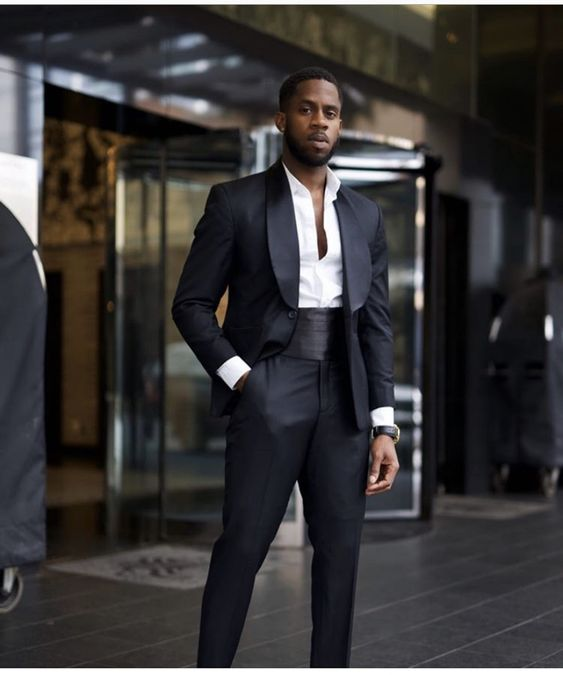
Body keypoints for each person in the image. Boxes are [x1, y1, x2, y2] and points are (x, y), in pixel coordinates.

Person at [172, 66, 400, 668]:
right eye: (306, 109)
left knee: (340, 556)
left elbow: (375, 323)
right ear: (282, 118)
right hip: (270, 385)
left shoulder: (365, 216)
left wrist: (384, 425)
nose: (319, 120)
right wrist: (241, 376)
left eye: (330, 112)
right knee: (243, 545)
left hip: (346, 398)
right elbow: (191, 304)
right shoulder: (236, 202)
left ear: (340, 124)